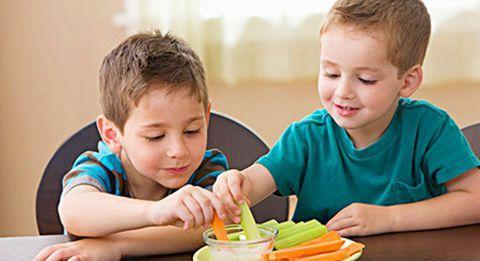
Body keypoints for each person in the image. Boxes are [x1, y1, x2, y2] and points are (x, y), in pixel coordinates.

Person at [214, 0, 480, 237]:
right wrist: (237, 184)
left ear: (407, 81)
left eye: (365, 79)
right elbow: (255, 181)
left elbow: (476, 199)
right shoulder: (306, 138)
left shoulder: (430, 129)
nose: (343, 92)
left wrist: (389, 218)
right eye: (331, 73)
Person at [35, 30, 233, 260]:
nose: (179, 151)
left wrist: (116, 246)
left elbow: (216, 225)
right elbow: (73, 212)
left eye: (192, 131)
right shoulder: (101, 168)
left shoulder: (207, 168)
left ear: (206, 118)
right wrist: (156, 212)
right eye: (155, 136)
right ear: (112, 134)